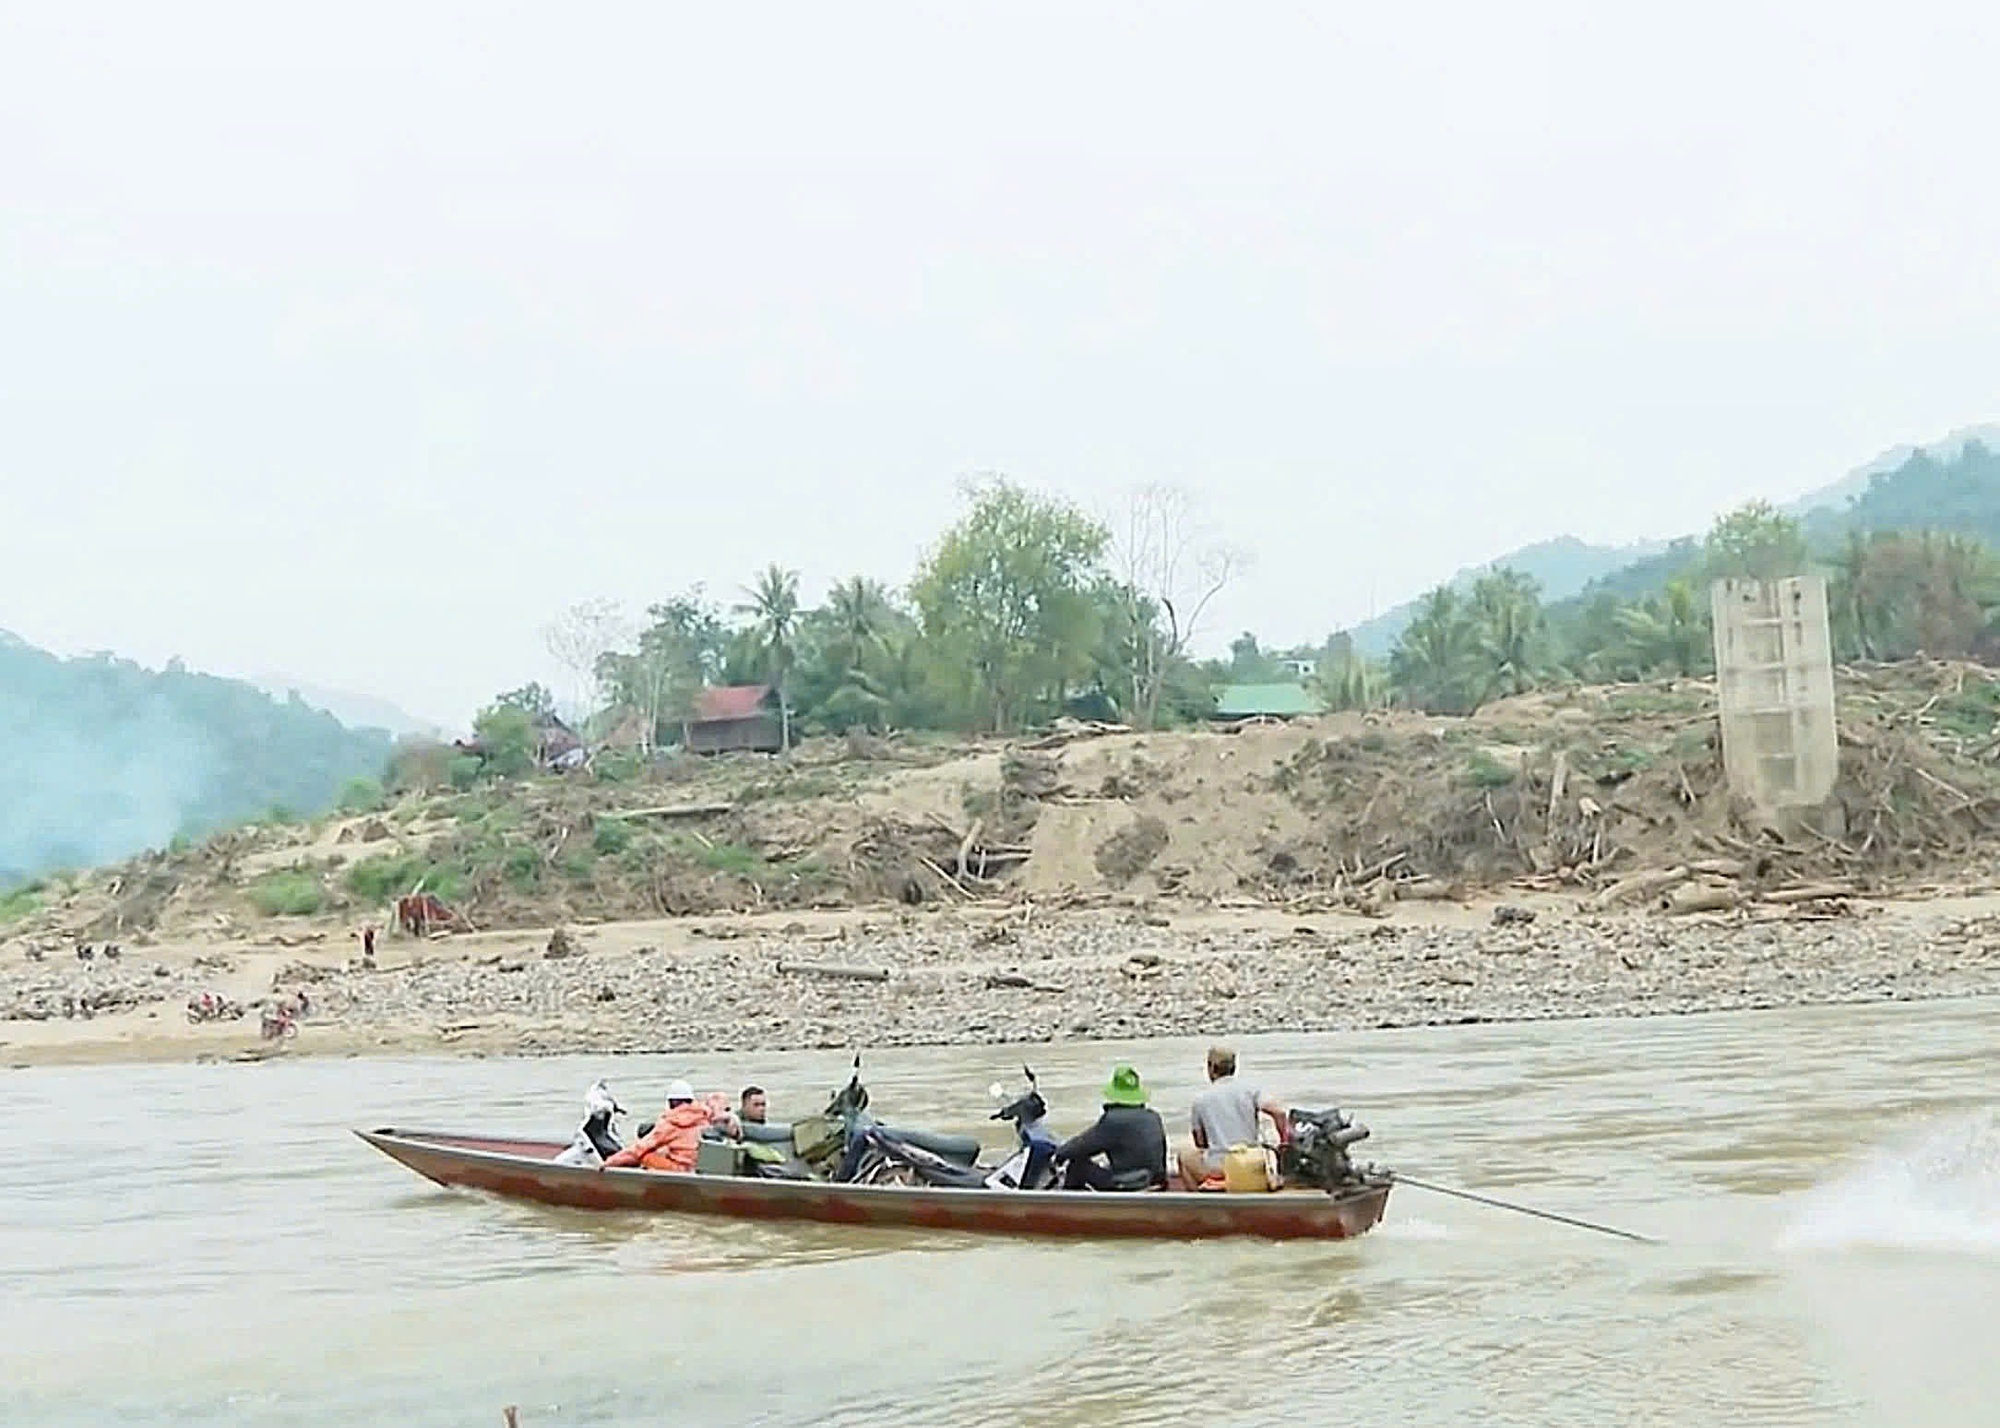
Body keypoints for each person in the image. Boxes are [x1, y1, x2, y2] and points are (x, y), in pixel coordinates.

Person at [1177, 1046, 1289, 1188]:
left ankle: (1200, 1202)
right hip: (1250, 1164)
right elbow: (1279, 1113)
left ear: (1211, 1067)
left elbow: (1200, 1143)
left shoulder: (1201, 1100)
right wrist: (1284, 1141)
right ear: (1234, 1067)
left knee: (1184, 1156)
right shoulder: (1251, 1090)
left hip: (1218, 1167)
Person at [1054, 1065, 1167, 1190]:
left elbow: (1083, 1145)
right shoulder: (1153, 1117)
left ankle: (1069, 1207)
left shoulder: (1113, 1120)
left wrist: (1060, 1154)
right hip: (1154, 1181)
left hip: (1127, 1183)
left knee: (1078, 1165)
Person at [603, 1080, 737, 1173]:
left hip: (681, 1169)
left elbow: (638, 1149)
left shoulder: (669, 1123)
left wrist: (609, 1162)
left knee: (646, 1156)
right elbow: (718, 1098)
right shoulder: (705, 1114)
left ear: (671, 1103)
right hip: (699, 1165)